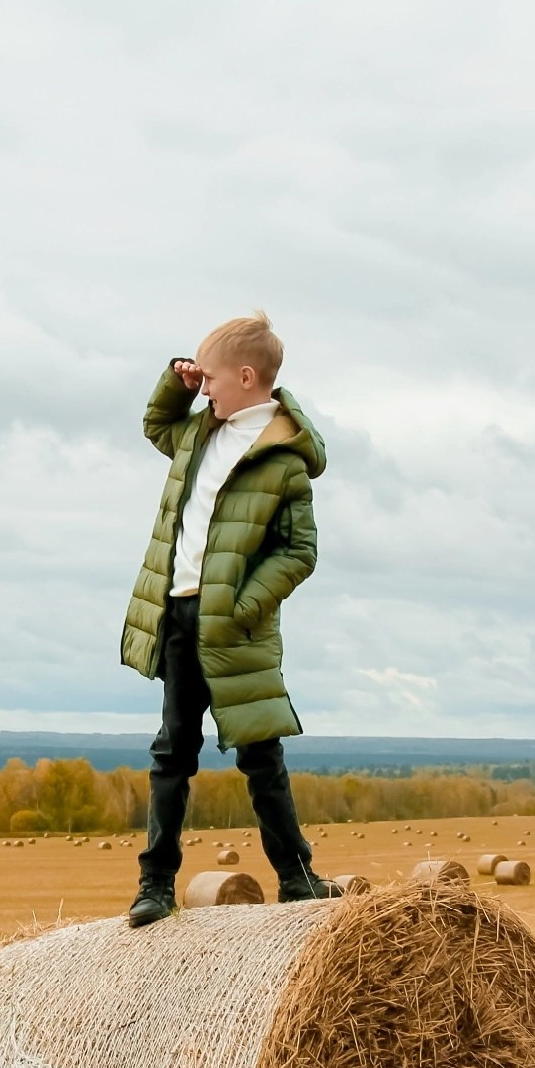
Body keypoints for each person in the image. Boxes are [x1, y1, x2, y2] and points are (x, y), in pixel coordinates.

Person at [120, 311, 338, 928]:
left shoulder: (284, 459)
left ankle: (298, 880)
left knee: (260, 757)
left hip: (238, 624)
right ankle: (156, 886)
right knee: (172, 754)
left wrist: (243, 605)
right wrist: (177, 381)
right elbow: (155, 423)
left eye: (210, 378)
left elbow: (299, 552)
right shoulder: (198, 434)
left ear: (246, 376)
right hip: (178, 614)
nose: (205, 388)